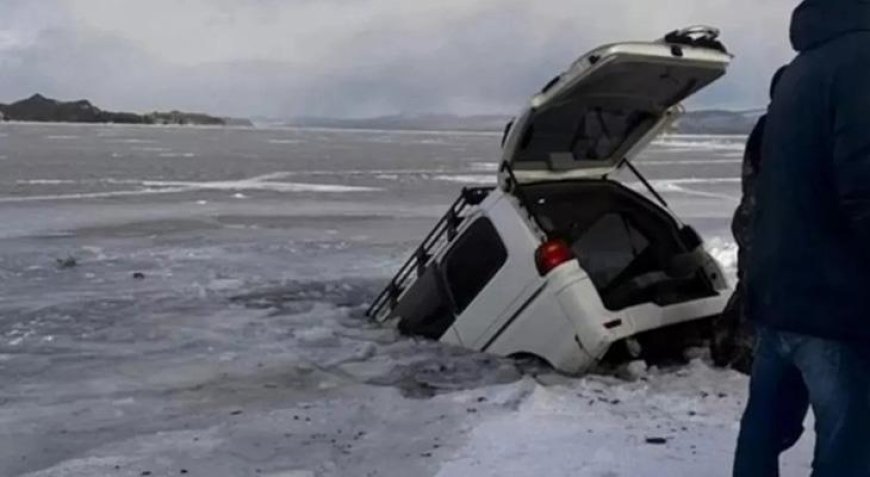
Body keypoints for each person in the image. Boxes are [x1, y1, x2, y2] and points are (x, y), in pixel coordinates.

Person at [734, 0, 870, 476]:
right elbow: (865, 187)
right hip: (836, 303)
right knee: (848, 446)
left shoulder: (799, 70)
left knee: (762, 432)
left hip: (779, 292)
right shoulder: (860, 61)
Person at [711, 66, 787, 375]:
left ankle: (724, 343)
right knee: (756, 289)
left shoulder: (768, 125)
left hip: (754, 222)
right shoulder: (775, 127)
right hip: (761, 224)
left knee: (749, 286)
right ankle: (741, 351)